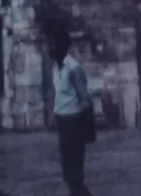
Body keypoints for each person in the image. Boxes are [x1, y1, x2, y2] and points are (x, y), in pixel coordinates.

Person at [47, 28, 95, 196]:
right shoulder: (55, 68)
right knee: (67, 169)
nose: (50, 48)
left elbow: (85, 98)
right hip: (63, 121)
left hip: (74, 121)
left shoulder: (73, 68)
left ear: (63, 46)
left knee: (75, 170)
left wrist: (88, 128)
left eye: (54, 44)